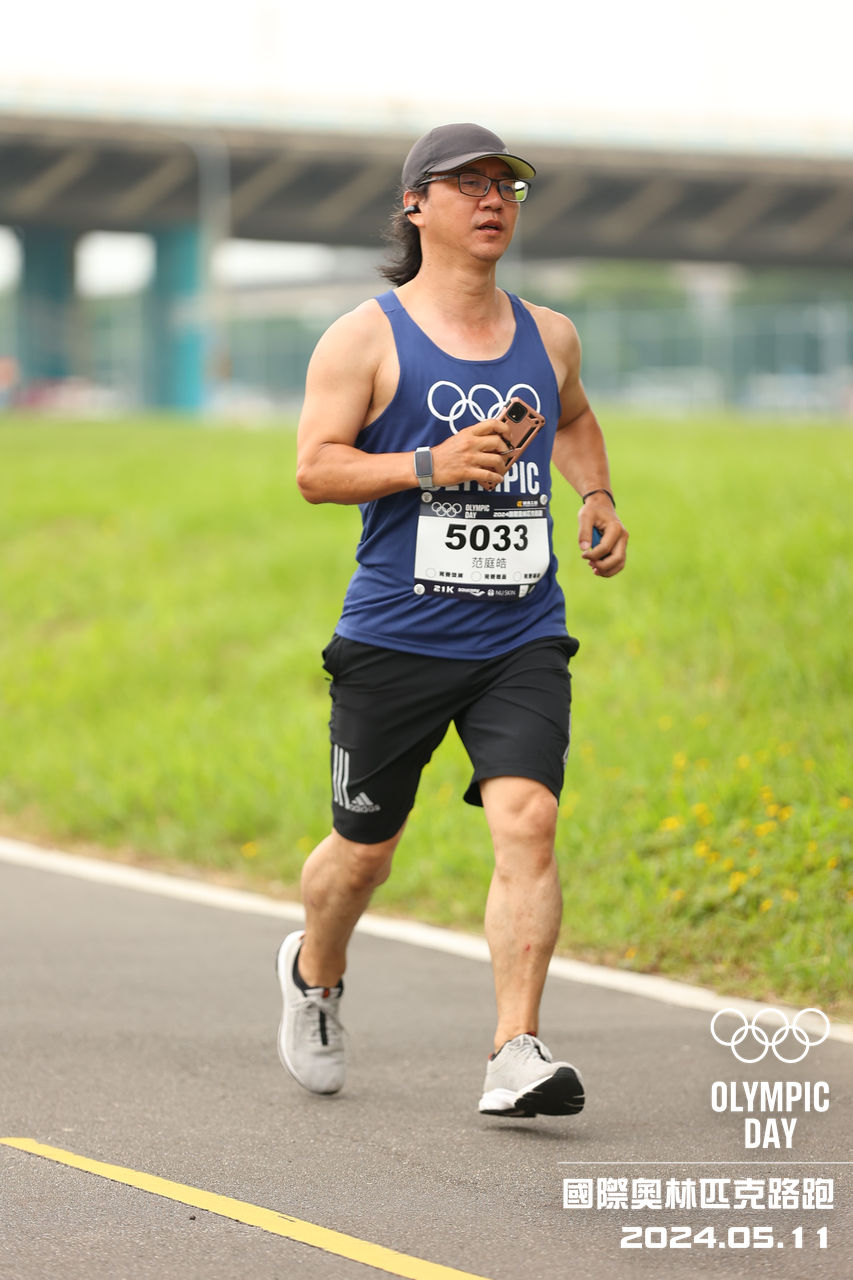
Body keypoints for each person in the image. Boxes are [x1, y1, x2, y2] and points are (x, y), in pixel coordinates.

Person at [276, 123, 628, 1118]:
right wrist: (428, 464)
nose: (491, 199)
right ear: (414, 204)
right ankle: (313, 972)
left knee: (529, 820)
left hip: (520, 631)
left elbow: (571, 416)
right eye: (467, 182)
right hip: (396, 634)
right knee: (364, 851)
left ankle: (514, 1048)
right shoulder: (363, 337)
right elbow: (315, 468)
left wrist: (596, 496)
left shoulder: (548, 334)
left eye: (505, 186)